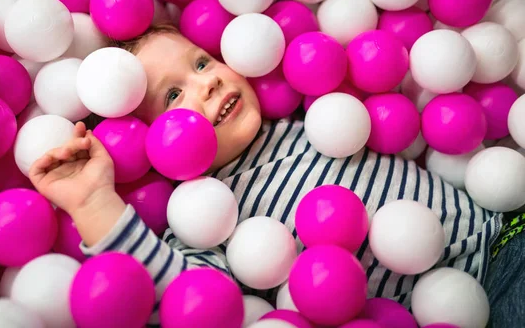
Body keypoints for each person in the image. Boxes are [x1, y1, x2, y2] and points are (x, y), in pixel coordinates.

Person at [28, 23, 512, 327]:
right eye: (172, 96)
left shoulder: (304, 120)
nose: (209, 80)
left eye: (200, 62)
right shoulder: (202, 219)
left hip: (507, 235)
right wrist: (95, 204)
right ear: (150, 144)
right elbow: (182, 300)